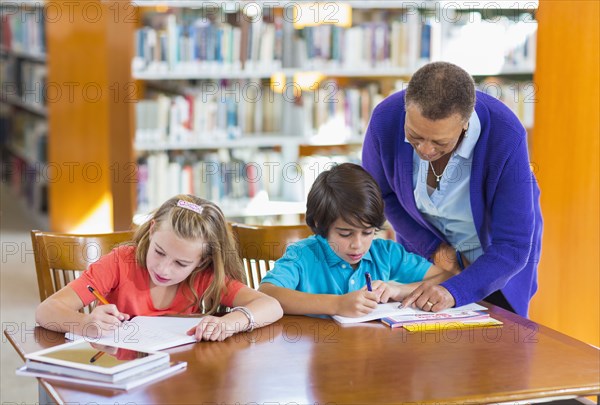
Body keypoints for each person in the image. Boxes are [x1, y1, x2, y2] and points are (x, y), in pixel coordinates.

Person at [362, 61, 542, 317]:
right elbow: (381, 195)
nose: (425, 149)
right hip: (427, 257)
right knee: (418, 347)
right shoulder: (385, 119)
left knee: (497, 346)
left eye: (440, 141)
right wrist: (434, 250)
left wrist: (453, 290)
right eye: (415, 136)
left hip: (495, 262)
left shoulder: (506, 136)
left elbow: (512, 246)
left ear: (465, 124)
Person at [35, 194, 283, 342]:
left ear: (203, 261)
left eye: (181, 263)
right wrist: (85, 323)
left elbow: (271, 306)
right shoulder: (121, 262)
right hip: (115, 373)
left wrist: (229, 323)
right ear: (152, 230)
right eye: (159, 252)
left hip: (177, 376)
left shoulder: (204, 277)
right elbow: (46, 311)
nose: (164, 269)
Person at [258, 163, 453, 318]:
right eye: (345, 234)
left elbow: (446, 277)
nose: (358, 245)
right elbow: (267, 293)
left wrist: (398, 290)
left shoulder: (385, 253)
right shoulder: (302, 255)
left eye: (367, 232)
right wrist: (337, 304)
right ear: (321, 224)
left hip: (371, 353)